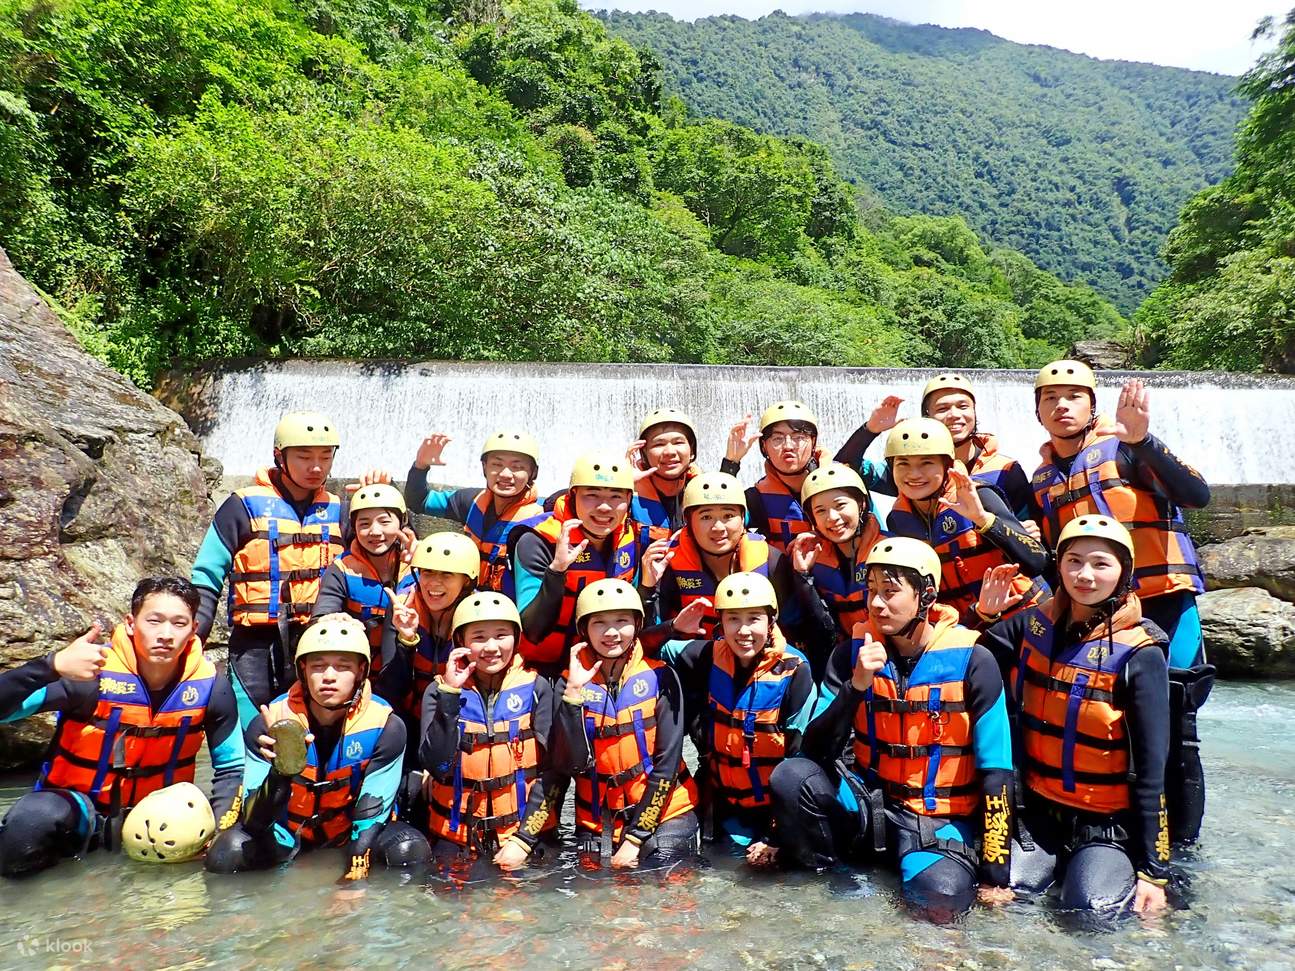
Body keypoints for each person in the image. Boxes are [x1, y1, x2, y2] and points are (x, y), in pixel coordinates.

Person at [770, 538, 1015, 918]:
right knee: (791, 776)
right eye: (871, 592)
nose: (876, 604)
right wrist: (856, 687)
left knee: (940, 904)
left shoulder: (975, 660)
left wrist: (995, 874)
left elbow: (997, 769)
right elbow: (814, 751)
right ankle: (829, 884)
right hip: (873, 810)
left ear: (927, 595)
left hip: (939, 819)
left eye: (890, 592)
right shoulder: (850, 654)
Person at [1030, 361, 1213, 844]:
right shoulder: (1044, 478)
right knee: (1110, 727)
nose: (1062, 405)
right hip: (1097, 617)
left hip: (1163, 605)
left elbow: (1197, 494)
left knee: (1176, 730)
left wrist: (1143, 440)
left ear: (1092, 407)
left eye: (1073, 396)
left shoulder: (1128, 450)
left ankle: (1179, 853)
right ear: (1038, 413)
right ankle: (1120, 836)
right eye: (1050, 398)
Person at [977, 515, 1172, 915]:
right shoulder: (1035, 622)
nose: (1084, 575)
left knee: (1089, 914)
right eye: (1073, 561)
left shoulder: (1142, 652)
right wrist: (989, 618)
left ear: (1124, 573)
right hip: (1041, 816)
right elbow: (981, 662)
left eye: (1101, 564)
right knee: (1002, 899)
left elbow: (1154, 768)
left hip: (1105, 826)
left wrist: (1154, 872)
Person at [0, 577, 244, 877]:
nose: (166, 634)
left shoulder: (211, 688)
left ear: (193, 629)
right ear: (131, 623)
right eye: (154, 621)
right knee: (31, 820)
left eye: (179, 623)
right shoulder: (90, 676)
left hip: (161, 822)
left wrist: (217, 830)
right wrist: (50, 666)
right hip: (79, 814)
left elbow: (232, 768)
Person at [205, 614, 429, 878]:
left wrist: (354, 879)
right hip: (287, 834)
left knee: (408, 849)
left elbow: (372, 813)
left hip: (352, 834)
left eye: (342, 666)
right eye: (318, 666)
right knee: (226, 852)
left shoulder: (387, 727)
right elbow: (254, 821)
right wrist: (280, 772)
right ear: (303, 671)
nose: (329, 677)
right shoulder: (267, 724)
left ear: (361, 671)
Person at [190, 411, 345, 728]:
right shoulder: (242, 505)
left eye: (325, 457)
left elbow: (370, 567)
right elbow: (206, 579)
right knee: (253, 735)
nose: (316, 467)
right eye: (304, 457)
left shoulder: (341, 510)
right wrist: (192, 642)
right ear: (279, 456)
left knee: (308, 742)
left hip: (318, 644)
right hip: (254, 645)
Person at [653, 573, 816, 862]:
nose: (743, 631)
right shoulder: (707, 654)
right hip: (725, 802)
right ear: (720, 624)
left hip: (776, 809)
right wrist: (674, 627)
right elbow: (653, 648)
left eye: (754, 619)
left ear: (771, 622)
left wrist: (775, 836)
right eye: (733, 619)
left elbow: (799, 761)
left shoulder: (796, 672)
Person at [550, 580, 701, 869]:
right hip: (598, 821)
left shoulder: (662, 677)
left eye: (622, 621)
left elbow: (667, 765)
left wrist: (635, 839)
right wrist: (572, 698)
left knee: (660, 864)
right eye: (599, 623)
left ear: (637, 624)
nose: (611, 632)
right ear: (584, 630)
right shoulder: (567, 684)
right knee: (595, 895)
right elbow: (569, 763)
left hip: (667, 813)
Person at [419, 592, 559, 869]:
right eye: (479, 637)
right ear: (460, 641)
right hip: (456, 838)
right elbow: (437, 765)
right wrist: (450, 695)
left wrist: (523, 840)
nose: (492, 647)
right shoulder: (439, 691)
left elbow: (554, 773)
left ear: (516, 639)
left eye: (501, 635)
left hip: (526, 835)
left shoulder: (537, 687)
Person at [883, 418, 1049, 627]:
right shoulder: (898, 520)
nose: (914, 474)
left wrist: (983, 519)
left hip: (1024, 614)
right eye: (903, 464)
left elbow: (1037, 561)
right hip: (971, 623)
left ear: (947, 466)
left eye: (926, 463)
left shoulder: (979, 495)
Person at [506, 453, 642, 679]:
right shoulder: (537, 540)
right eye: (591, 495)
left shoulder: (630, 538)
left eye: (616, 496)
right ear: (573, 496)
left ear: (629, 500)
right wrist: (557, 570)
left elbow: (637, 617)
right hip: (538, 670)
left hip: (601, 666)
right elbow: (533, 629)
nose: (605, 507)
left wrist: (647, 586)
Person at [646, 472, 816, 645]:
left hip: (756, 656)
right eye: (706, 517)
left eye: (728, 516)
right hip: (695, 660)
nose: (718, 528)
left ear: (743, 519)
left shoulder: (772, 561)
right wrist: (649, 591)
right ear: (688, 523)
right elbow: (645, 638)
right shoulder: (668, 564)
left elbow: (798, 631)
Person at [405, 429, 546, 597]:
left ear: (533, 473)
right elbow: (420, 501)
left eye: (517, 467)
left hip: (509, 612)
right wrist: (420, 466)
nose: (506, 474)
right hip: (468, 602)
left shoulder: (542, 517)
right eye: (497, 464)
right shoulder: (471, 501)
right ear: (484, 467)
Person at [312, 482, 417, 679]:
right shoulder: (341, 568)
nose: (375, 531)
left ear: (402, 524)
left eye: (385, 522)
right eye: (364, 523)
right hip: (355, 673)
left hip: (403, 669)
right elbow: (322, 612)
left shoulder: (418, 567)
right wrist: (331, 620)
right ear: (354, 527)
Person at [786, 463, 885, 647]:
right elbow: (822, 629)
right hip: (845, 653)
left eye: (840, 505)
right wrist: (803, 577)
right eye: (820, 511)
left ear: (862, 504)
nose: (832, 517)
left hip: (890, 652)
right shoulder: (814, 558)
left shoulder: (890, 549)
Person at [385, 532, 480, 723]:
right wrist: (406, 641)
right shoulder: (402, 607)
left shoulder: (479, 615)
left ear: (467, 581)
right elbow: (390, 687)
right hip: (408, 715)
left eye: (447, 574)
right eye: (427, 572)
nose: (434, 583)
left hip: (457, 715)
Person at [918, 374, 1034, 520]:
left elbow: (1028, 523)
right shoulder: (912, 469)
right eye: (942, 409)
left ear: (974, 411)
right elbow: (880, 482)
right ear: (927, 417)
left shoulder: (1006, 470)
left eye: (963, 407)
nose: (954, 414)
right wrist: (878, 429)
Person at [627, 408, 702, 545]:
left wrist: (731, 463)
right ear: (644, 454)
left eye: (678, 442)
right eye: (659, 444)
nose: (669, 452)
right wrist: (620, 487)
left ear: (691, 451)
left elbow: (733, 518)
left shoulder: (703, 487)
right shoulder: (627, 495)